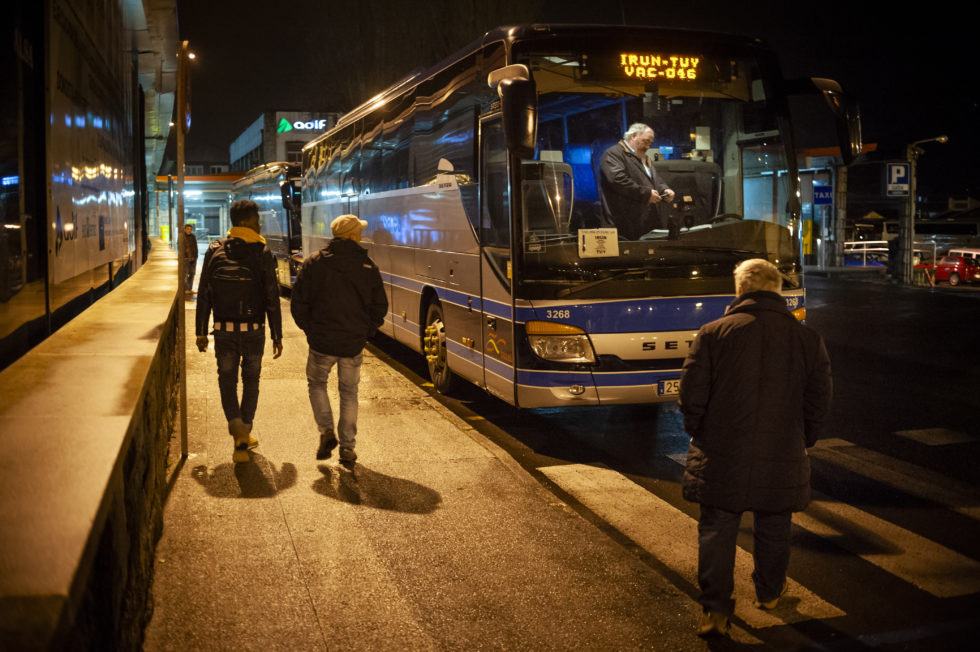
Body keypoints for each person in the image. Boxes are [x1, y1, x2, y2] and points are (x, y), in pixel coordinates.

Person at [678, 258, 832, 637]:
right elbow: (818, 400)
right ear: (777, 291)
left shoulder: (713, 333)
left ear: (740, 289)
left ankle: (715, 611)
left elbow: (691, 395)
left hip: (721, 451)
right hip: (781, 449)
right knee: (775, 526)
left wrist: (700, 432)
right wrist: (803, 439)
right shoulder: (807, 340)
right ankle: (769, 594)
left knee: (717, 529)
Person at [291, 214, 387, 465]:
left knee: (316, 384)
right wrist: (366, 332)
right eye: (359, 232)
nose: (361, 235)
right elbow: (380, 306)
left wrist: (311, 330)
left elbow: (298, 303)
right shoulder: (367, 266)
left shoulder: (314, 262)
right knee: (349, 393)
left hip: (321, 341)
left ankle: (326, 431)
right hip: (352, 343)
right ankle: (347, 447)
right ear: (353, 235)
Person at [196, 200, 283, 463]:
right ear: (245, 221)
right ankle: (245, 429)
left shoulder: (215, 248)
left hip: (223, 329)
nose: (260, 225)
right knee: (251, 381)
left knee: (227, 381)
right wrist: (277, 335)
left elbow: (204, 293)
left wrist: (201, 331)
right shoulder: (261, 251)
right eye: (257, 220)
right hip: (254, 330)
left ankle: (237, 428)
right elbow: (271, 296)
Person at [598, 123, 675, 239]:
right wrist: (646, 194)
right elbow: (618, 180)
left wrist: (664, 189)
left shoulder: (644, 158)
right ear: (633, 136)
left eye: (650, 143)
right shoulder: (613, 154)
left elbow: (654, 179)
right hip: (624, 225)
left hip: (644, 224)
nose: (648, 147)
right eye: (646, 141)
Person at [180, 223, 199, 295]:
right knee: (185, 274)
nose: (189, 230)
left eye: (190, 229)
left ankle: (189, 289)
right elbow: (180, 248)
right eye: (188, 229)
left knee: (192, 274)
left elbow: (195, 247)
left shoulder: (193, 236)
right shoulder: (182, 237)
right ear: (184, 229)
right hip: (186, 259)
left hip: (193, 258)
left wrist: (196, 256)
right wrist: (183, 257)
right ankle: (185, 289)